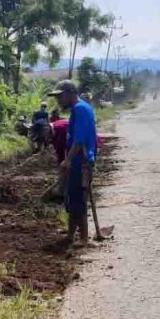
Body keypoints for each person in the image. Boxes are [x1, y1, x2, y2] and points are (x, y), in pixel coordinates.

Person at [51, 79, 98, 245]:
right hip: (79, 160)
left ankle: (84, 238)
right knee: (72, 199)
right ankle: (71, 235)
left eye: (60, 96)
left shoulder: (80, 109)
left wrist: (68, 160)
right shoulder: (79, 108)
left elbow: (79, 140)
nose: (58, 100)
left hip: (81, 161)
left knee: (77, 201)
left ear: (71, 93)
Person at [48, 109, 71, 202]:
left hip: (81, 144)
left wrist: (64, 162)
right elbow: (59, 151)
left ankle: (64, 193)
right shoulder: (53, 129)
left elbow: (63, 149)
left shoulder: (60, 129)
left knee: (69, 170)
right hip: (73, 145)